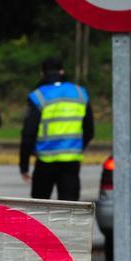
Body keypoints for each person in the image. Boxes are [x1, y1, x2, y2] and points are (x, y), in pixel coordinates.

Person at [19, 56, 94, 201]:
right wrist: (76, 147)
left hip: (45, 161)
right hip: (71, 161)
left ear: (42, 73)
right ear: (62, 71)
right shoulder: (80, 93)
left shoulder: (38, 96)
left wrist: (24, 165)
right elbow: (89, 131)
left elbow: (28, 133)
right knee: (69, 210)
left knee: (39, 208)